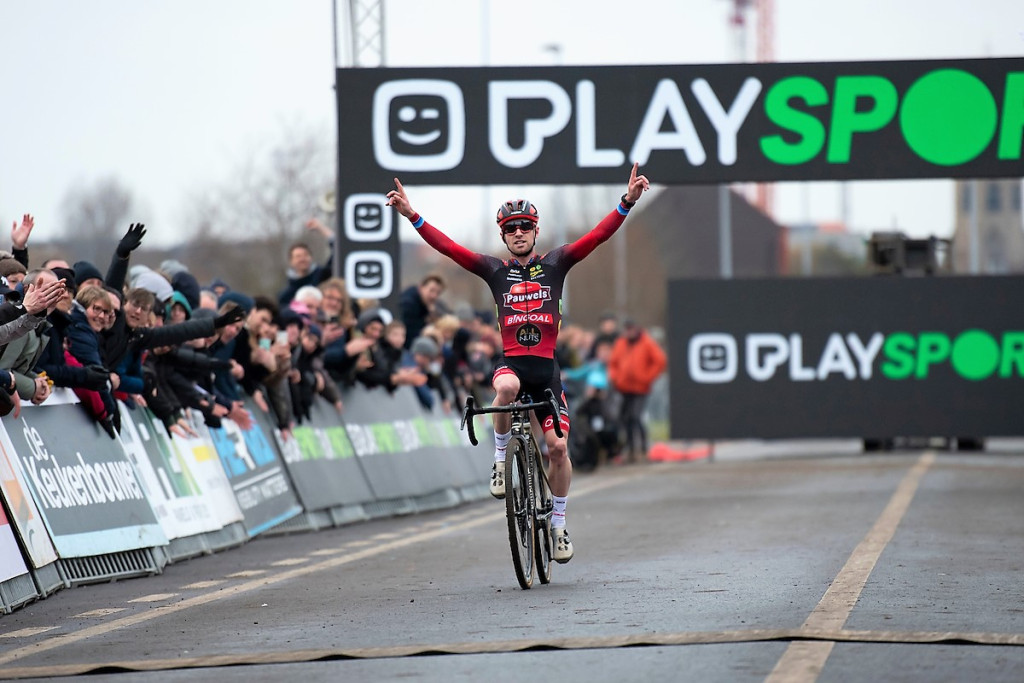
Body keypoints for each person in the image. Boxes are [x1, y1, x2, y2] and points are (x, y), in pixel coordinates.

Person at [386, 162, 650, 564]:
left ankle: (558, 523)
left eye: (525, 225)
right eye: (511, 228)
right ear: (503, 235)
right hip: (510, 363)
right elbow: (450, 249)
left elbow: (596, 237)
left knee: (559, 449)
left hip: (546, 373)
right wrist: (413, 216)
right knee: (505, 389)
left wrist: (626, 202)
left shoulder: (557, 263)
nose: (519, 232)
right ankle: (498, 460)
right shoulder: (495, 271)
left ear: (536, 229)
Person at [608, 319, 667, 463]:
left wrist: (647, 377)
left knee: (635, 416)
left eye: (631, 329)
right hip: (624, 387)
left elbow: (660, 361)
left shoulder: (647, 342)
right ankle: (631, 449)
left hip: (641, 388)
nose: (629, 332)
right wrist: (616, 378)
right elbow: (613, 363)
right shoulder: (621, 343)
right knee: (625, 418)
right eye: (627, 329)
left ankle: (642, 449)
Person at [398, 273, 445, 348]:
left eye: (438, 293)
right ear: (421, 287)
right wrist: (425, 332)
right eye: (431, 290)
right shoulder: (408, 305)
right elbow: (408, 335)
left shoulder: (424, 305)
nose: (434, 296)